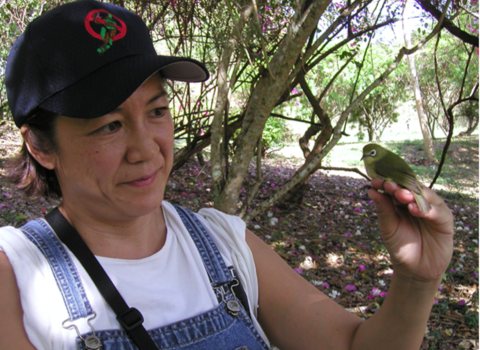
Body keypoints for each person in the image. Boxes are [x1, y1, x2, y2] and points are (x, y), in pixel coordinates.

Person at [0, 1, 454, 349]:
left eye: (157, 110)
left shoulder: (222, 243)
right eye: (109, 125)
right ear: (40, 145)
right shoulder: (14, 276)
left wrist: (416, 280)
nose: (146, 149)